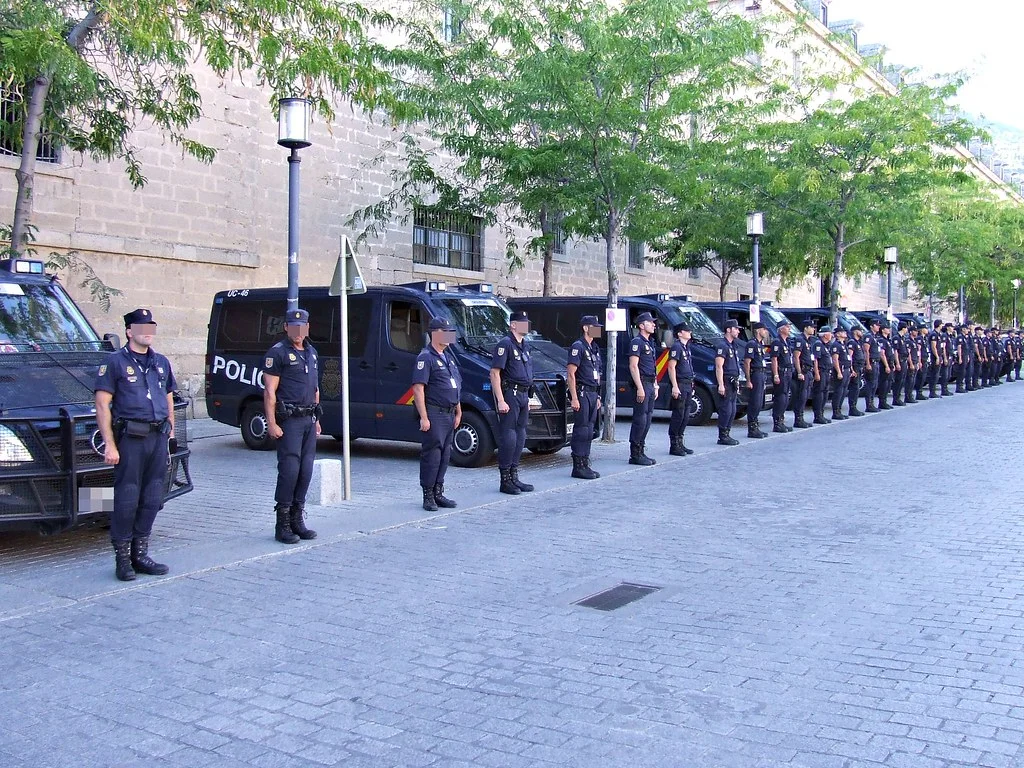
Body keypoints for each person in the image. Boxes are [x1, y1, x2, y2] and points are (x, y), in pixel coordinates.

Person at [95, 308, 177, 581]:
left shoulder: (161, 362)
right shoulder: (114, 362)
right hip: (131, 439)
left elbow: (168, 399)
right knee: (127, 498)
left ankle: (140, 554)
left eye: (151, 327)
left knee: (153, 497)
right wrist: (109, 444)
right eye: (142, 328)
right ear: (130, 331)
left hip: (157, 437)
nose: (148, 333)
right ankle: (122, 559)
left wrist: (170, 434)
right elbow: (102, 404)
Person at [264, 308, 320, 544]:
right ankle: (283, 523)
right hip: (289, 421)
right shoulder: (277, 353)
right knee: (289, 471)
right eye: (293, 326)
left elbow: (315, 389)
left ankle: (298, 519)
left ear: (307, 328)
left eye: (303, 326)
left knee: (306, 471)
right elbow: (269, 392)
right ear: (286, 327)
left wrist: (317, 419)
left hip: (308, 420)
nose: (298, 331)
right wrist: (272, 423)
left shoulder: (311, 352)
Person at [413, 316, 463, 511]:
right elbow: (418, 389)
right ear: (435, 333)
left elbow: (456, 386)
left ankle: (438, 492)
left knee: (445, 455)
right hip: (434, 413)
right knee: (432, 455)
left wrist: (459, 411)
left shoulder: (448, 357)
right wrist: (424, 417)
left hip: (450, 413)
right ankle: (428, 495)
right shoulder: (425, 357)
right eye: (445, 332)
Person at [490, 310, 535, 493]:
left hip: (524, 395)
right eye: (522, 322)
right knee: (509, 436)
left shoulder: (525, 345)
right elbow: (495, 373)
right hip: (511, 394)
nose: (526, 325)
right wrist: (500, 399)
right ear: (513, 325)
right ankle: (505, 479)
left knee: (520, 435)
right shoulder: (505, 345)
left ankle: (514, 474)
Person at [567, 315, 603, 479]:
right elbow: (571, 373)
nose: (598, 329)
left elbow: (597, 375)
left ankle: (585, 462)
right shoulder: (578, 346)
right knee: (581, 430)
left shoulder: (593, 347)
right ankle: (578, 466)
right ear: (585, 328)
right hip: (581, 392)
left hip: (592, 392)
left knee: (589, 429)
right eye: (594, 326)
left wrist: (598, 396)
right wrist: (574, 397)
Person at [627, 311, 659, 465]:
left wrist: (656, 384)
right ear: (641, 325)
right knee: (640, 419)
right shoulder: (636, 342)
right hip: (642, 383)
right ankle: (635, 453)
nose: (653, 324)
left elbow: (653, 366)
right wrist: (640, 387)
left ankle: (641, 449)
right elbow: (633, 366)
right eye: (650, 322)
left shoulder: (649, 343)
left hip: (650, 383)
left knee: (647, 418)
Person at [667, 321, 697, 454]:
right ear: (680, 333)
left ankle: (680, 441)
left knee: (685, 415)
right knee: (678, 414)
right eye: (687, 330)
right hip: (680, 384)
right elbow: (671, 367)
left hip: (688, 384)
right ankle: (674, 444)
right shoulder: (676, 347)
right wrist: (674, 386)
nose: (690, 332)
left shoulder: (686, 347)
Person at [714, 319, 742, 445]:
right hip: (726, 380)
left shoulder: (733, 345)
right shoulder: (723, 346)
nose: (738, 331)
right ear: (728, 330)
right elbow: (719, 366)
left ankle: (727, 433)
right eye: (735, 328)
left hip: (733, 380)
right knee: (726, 409)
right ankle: (722, 435)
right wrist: (720, 384)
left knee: (732, 409)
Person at [743, 321, 770, 439]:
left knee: (759, 402)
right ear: (758, 330)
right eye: (764, 329)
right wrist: (748, 379)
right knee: (754, 402)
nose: (766, 332)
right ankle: (752, 428)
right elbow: (747, 362)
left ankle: (756, 425)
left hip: (762, 373)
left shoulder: (760, 345)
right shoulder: (752, 344)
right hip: (756, 374)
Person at [791, 319, 817, 428]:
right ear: (806, 328)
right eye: (811, 327)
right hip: (803, 371)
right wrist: (799, 372)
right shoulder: (800, 340)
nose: (813, 329)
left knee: (805, 395)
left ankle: (801, 417)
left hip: (809, 370)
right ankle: (798, 419)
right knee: (800, 396)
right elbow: (796, 357)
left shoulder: (809, 341)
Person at [771, 322, 795, 432]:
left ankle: (781, 420)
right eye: (787, 327)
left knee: (785, 397)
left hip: (788, 372)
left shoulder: (786, 342)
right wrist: (776, 374)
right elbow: (774, 359)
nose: (789, 328)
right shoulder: (777, 342)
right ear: (781, 329)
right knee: (780, 398)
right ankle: (777, 423)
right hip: (781, 372)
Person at [811, 325, 834, 424]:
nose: (832, 335)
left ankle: (821, 414)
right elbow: (815, 360)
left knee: (825, 393)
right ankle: (818, 415)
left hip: (827, 372)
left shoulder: (826, 345)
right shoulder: (818, 344)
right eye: (830, 333)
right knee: (819, 394)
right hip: (821, 371)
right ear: (825, 335)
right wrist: (816, 373)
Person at [830, 326, 851, 420]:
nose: (845, 333)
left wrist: (851, 369)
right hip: (841, 370)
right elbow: (835, 359)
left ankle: (839, 410)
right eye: (842, 332)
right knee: (838, 391)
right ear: (838, 334)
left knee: (844, 390)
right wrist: (838, 372)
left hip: (846, 369)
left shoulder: (843, 344)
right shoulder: (836, 345)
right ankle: (836, 411)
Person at [862, 318, 881, 411]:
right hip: (872, 362)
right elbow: (866, 350)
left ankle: (872, 403)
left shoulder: (875, 336)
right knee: (870, 384)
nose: (878, 327)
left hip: (876, 362)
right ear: (871, 326)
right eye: (876, 325)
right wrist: (868, 363)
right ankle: (869, 404)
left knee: (875, 384)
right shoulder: (868, 336)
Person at [846, 326, 866, 417]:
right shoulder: (852, 342)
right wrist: (851, 369)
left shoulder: (858, 342)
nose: (862, 332)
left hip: (859, 367)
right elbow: (849, 357)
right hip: (855, 367)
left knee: (857, 388)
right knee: (854, 388)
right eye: (860, 330)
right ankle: (852, 408)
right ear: (855, 331)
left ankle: (854, 407)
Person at [876, 322, 894, 410]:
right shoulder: (881, 340)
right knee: (884, 383)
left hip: (890, 363)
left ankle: (885, 401)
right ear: (883, 330)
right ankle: (882, 402)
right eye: (887, 328)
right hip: (884, 365)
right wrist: (886, 365)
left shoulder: (887, 340)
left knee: (888, 383)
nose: (889, 330)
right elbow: (882, 354)